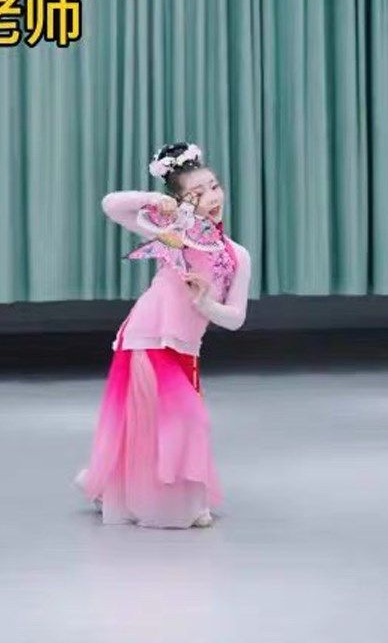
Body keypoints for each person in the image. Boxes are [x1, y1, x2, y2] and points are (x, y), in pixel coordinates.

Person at [74, 142, 251, 528]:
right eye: (198, 193)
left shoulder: (237, 255)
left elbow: (235, 318)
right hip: (147, 336)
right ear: (181, 202)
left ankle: (121, 489)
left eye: (214, 187)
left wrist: (205, 304)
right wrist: (156, 200)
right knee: (181, 419)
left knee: (163, 422)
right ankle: (167, 504)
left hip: (186, 347)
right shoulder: (171, 232)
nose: (212, 197)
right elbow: (111, 204)